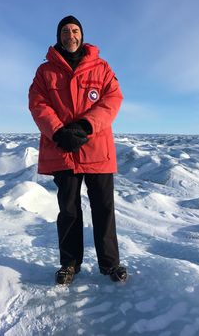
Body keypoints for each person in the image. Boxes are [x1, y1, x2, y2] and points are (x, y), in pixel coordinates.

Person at [28, 15, 127, 285]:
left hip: (96, 148)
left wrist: (85, 126)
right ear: (58, 36)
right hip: (63, 149)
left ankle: (110, 264)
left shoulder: (102, 67)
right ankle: (69, 264)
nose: (70, 35)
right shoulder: (45, 71)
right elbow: (37, 104)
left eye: (74, 30)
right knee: (69, 211)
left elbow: (113, 99)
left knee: (104, 209)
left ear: (81, 35)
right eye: (64, 31)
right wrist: (58, 131)